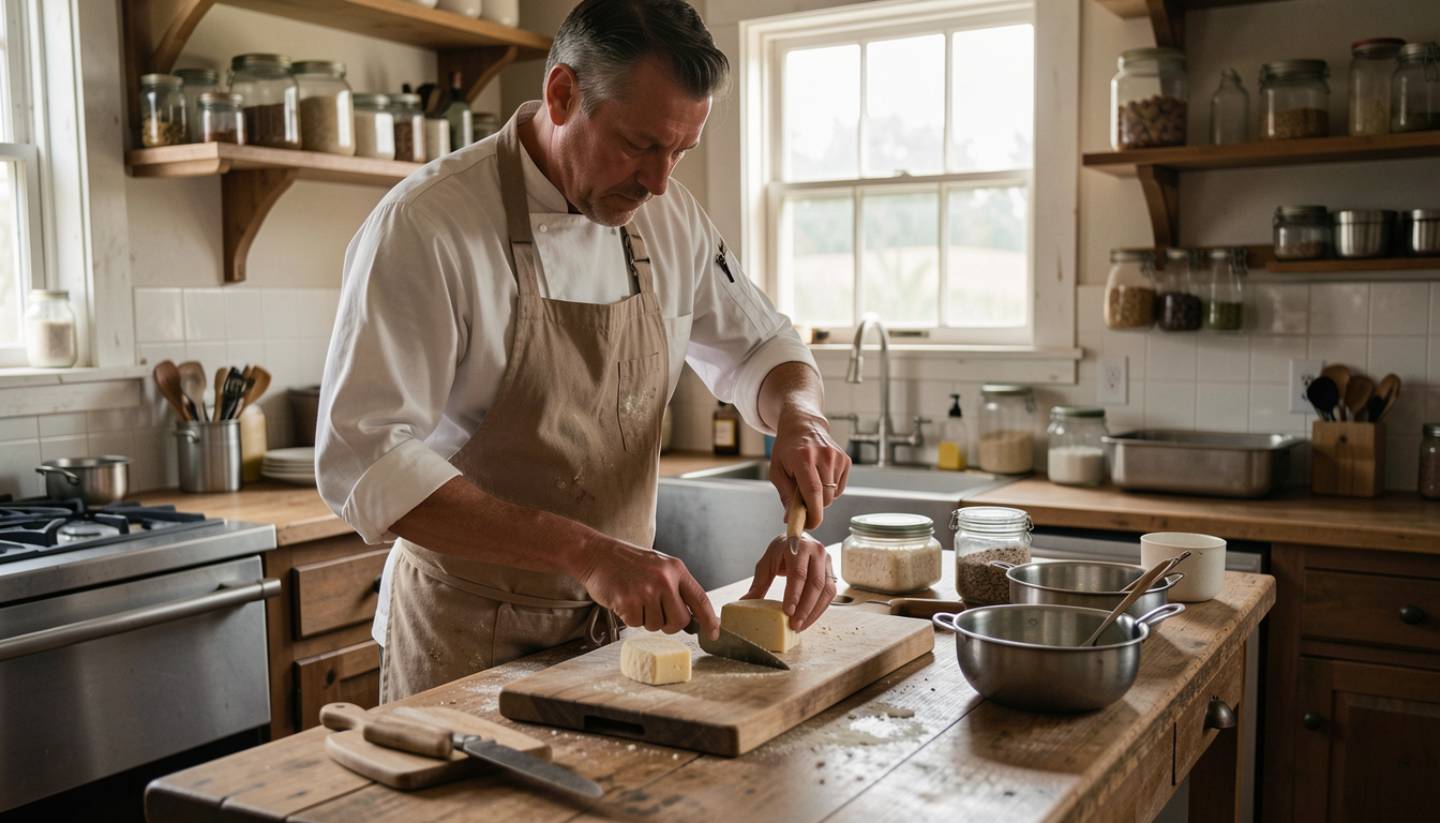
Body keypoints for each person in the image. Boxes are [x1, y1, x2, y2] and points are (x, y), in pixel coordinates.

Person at [316, 0, 850, 702]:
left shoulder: (669, 216)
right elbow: (365, 460)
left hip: (620, 643)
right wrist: (585, 551)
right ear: (563, 94)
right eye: (638, 144)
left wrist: (801, 420)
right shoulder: (427, 226)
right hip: (466, 639)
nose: (660, 181)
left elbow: (763, 345)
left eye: (680, 151)